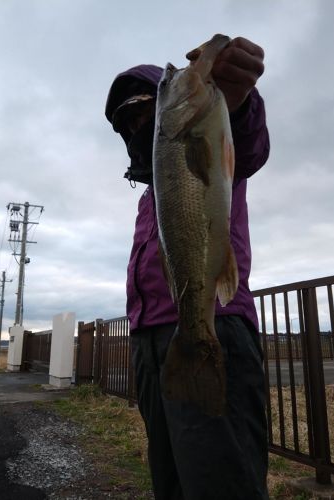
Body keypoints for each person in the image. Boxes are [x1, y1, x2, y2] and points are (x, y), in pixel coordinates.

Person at [105, 36, 270, 500]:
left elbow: (249, 144)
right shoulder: (147, 195)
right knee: (172, 480)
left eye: (146, 106)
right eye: (129, 119)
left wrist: (239, 100)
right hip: (152, 344)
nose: (139, 120)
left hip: (214, 325)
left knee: (222, 482)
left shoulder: (214, 142)